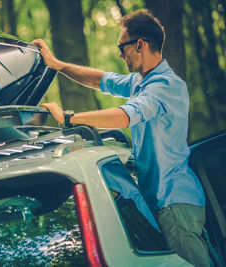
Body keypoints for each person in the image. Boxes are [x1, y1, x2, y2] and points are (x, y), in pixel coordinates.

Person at [33, 9, 209, 267]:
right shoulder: (143, 81)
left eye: (121, 47)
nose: (119, 54)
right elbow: (102, 80)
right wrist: (57, 65)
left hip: (174, 204)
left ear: (140, 45)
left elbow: (126, 116)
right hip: (168, 202)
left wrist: (69, 118)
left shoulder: (165, 86)